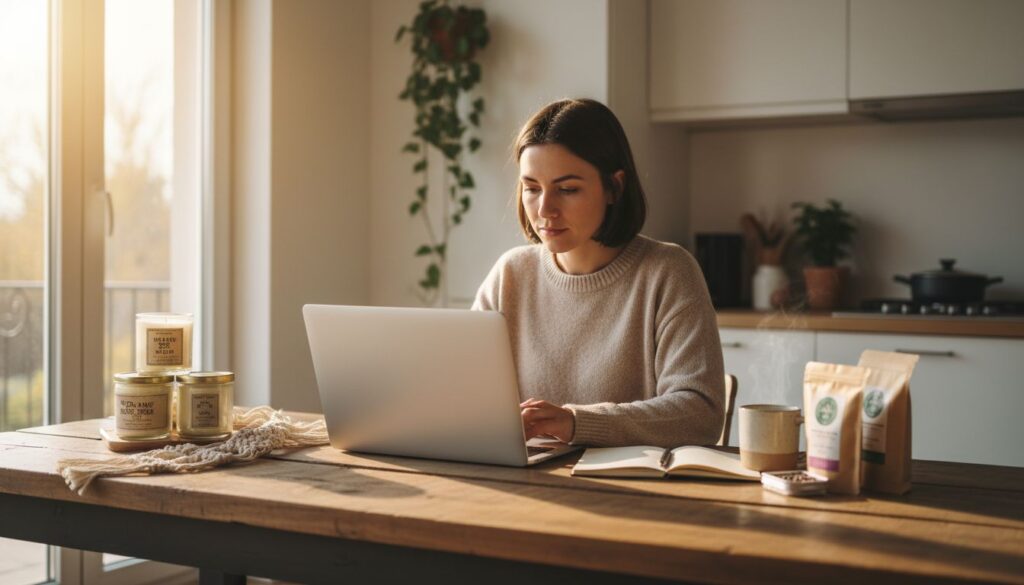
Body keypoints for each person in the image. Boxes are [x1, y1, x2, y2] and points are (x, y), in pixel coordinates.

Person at [472, 98, 725, 449]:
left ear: (614, 188)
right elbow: (463, 397)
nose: (545, 209)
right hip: (525, 482)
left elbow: (700, 414)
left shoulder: (667, 272)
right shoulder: (510, 274)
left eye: (567, 189)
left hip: (630, 493)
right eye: (532, 188)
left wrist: (576, 423)